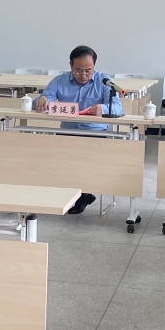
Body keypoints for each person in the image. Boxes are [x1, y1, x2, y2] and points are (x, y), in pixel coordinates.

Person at [34, 45, 124, 214]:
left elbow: (118, 108)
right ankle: (74, 194)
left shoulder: (104, 81)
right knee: (56, 159)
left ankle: (85, 194)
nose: (83, 75)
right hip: (68, 131)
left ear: (94, 67)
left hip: (95, 133)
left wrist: (103, 108)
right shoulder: (60, 80)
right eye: (78, 70)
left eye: (88, 70)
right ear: (70, 66)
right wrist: (43, 99)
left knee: (86, 162)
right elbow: (46, 98)